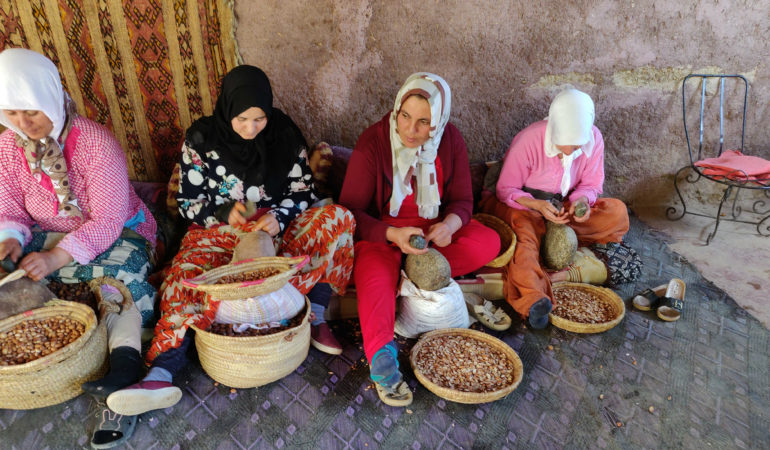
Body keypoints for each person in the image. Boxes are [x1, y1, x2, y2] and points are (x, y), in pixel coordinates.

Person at [106, 65, 355, 416]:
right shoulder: (202, 140)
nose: (251, 128)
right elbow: (189, 204)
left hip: (276, 232)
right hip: (217, 232)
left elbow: (303, 191)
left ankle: (311, 313)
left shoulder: (284, 133)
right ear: (227, 109)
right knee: (185, 278)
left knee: (337, 218)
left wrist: (278, 217)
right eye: (242, 119)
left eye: (259, 119)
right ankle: (163, 372)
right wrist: (224, 214)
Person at [0, 48, 157, 449]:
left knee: (119, 284)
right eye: (12, 112)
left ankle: (124, 367)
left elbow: (107, 219)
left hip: (117, 232)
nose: (23, 123)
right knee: (14, 281)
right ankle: (32, 364)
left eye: (31, 111)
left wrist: (54, 258)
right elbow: (9, 208)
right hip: (48, 234)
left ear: (50, 96)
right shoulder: (8, 149)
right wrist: (11, 241)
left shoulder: (94, 143)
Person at [339, 73, 500, 406]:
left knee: (488, 241)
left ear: (438, 122)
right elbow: (351, 212)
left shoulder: (450, 140)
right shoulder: (374, 142)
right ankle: (383, 361)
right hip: (383, 235)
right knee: (372, 276)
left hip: (433, 236)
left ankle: (415, 273)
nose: (410, 130)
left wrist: (451, 225)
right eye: (405, 116)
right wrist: (393, 235)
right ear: (396, 109)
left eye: (424, 122)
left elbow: (463, 201)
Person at [480, 88, 629, 329]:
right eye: (564, 143)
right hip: (523, 205)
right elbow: (505, 189)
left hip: (562, 208)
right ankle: (533, 299)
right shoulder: (530, 139)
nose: (570, 150)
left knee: (616, 212)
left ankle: (549, 242)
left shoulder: (594, 138)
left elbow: (591, 185)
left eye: (576, 143)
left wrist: (580, 204)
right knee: (523, 235)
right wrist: (537, 205)